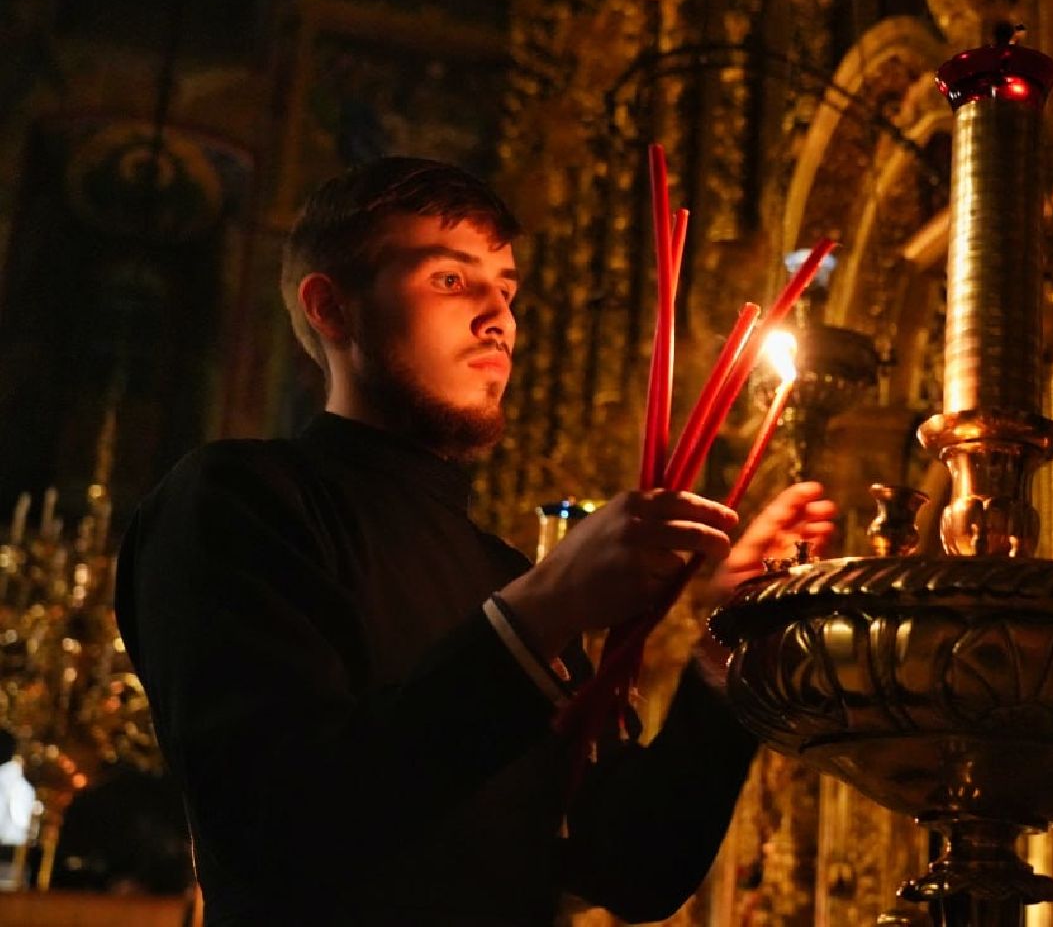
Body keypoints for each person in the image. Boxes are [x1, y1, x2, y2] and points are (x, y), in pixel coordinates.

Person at [114, 157, 837, 925]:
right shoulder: (239, 502)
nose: (498, 316)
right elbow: (281, 834)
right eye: (451, 280)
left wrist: (728, 653)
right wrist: (541, 608)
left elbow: (633, 869)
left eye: (507, 287)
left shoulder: (502, 572)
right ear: (333, 308)